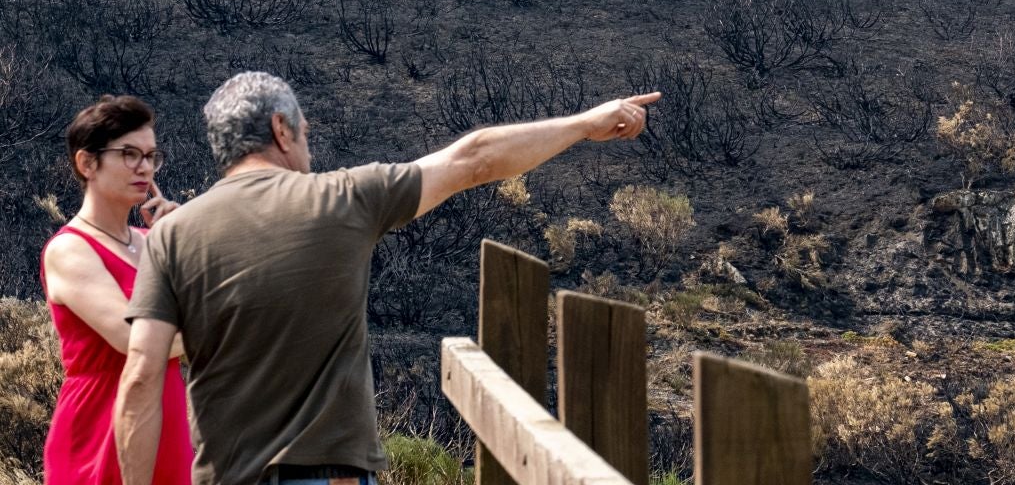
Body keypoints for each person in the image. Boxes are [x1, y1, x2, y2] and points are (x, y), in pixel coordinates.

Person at [113, 71, 661, 485]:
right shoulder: (343, 198)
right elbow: (474, 159)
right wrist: (586, 123)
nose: (308, 149)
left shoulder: (171, 235)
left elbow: (140, 378)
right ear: (281, 130)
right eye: (304, 134)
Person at [43, 96, 193, 485]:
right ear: (86, 163)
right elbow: (134, 341)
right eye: (129, 154)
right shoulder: (69, 249)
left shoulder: (153, 241)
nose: (144, 167)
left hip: (166, 423)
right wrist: (211, 324)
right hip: (98, 430)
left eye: (151, 156)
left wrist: (184, 247)